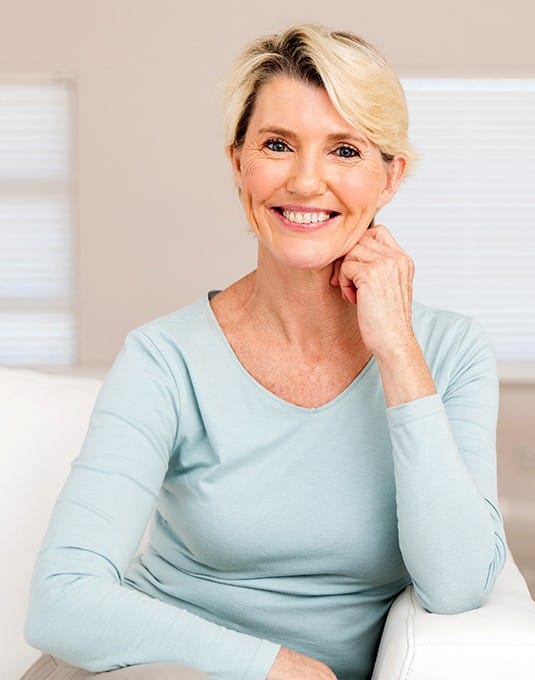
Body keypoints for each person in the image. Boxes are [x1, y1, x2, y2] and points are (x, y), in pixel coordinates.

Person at [21, 24, 506, 680]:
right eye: (277, 145)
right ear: (238, 164)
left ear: (389, 177)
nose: (306, 181)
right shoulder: (165, 359)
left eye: (344, 150)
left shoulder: (449, 352)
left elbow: (457, 587)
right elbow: (61, 600)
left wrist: (395, 349)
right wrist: (275, 668)